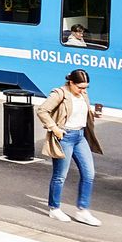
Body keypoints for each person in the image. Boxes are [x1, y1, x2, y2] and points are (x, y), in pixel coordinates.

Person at [35, 68, 104, 226]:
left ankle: (83, 211)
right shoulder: (59, 94)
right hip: (64, 137)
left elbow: (80, 112)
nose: (83, 91)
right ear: (71, 82)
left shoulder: (83, 94)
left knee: (89, 174)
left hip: (80, 137)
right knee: (60, 176)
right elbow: (42, 110)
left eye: (86, 87)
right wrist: (54, 128)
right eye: (80, 87)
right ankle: (54, 208)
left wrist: (94, 114)